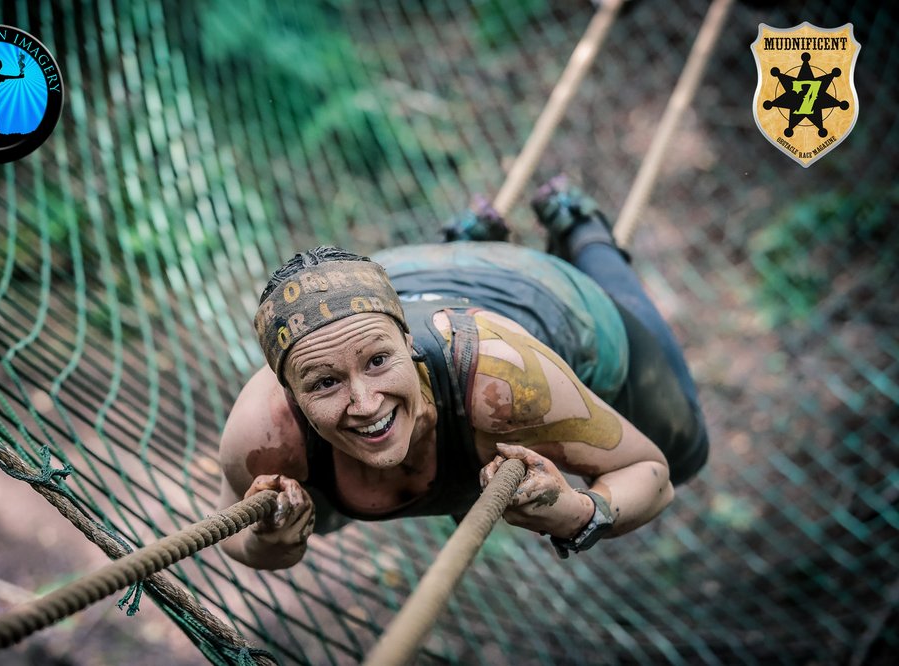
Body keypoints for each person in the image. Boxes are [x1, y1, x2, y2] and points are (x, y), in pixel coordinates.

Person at [217, 175, 709, 570]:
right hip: (392, 282)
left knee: (684, 449)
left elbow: (653, 474)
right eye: (325, 383)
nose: (365, 404)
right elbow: (231, 531)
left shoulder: (505, 383)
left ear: (407, 341)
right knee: (295, 511)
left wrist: (576, 512)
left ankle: (579, 226)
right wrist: (270, 544)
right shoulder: (264, 432)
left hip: (532, 290)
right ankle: (467, 241)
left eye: (378, 362)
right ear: (288, 391)